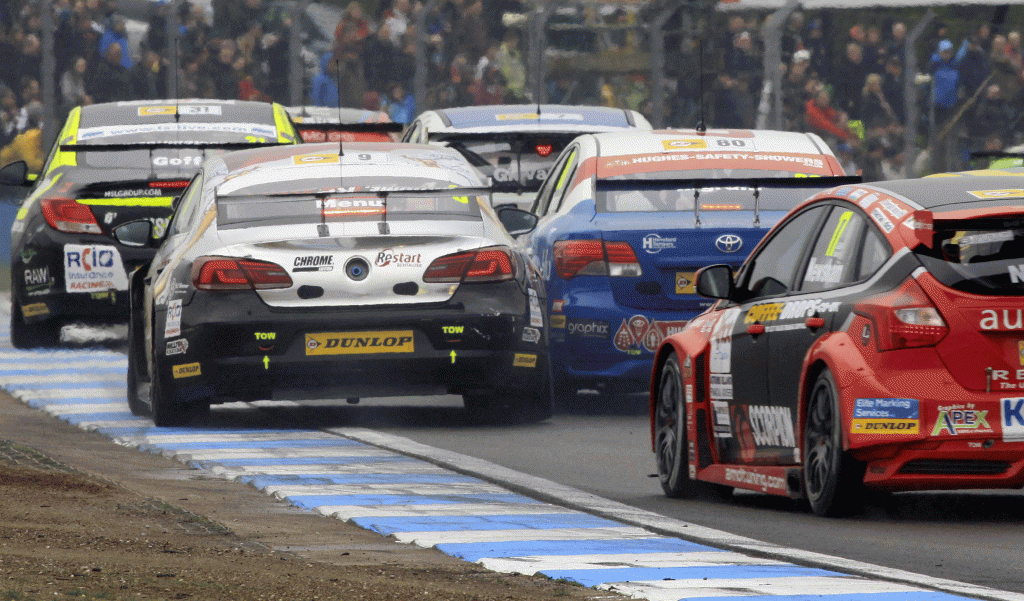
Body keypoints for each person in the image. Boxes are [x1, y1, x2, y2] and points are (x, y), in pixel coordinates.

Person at [0, 104, 43, 175]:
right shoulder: (28, 137)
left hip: (16, 172)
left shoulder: (39, 136)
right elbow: (30, 164)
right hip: (3, 171)